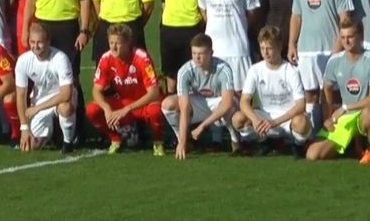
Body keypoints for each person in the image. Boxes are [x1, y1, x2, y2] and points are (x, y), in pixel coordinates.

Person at [21, 0, 92, 134]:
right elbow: (30, 2)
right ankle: (47, 127)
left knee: (71, 77)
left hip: (67, 27)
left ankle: (77, 127)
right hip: (43, 26)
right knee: (44, 76)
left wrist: (84, 30)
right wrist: (25, 29)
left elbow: (85, 1)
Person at [288, 0, 354, 135]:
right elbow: (296, 16)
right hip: (306, 50)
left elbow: (345, 19)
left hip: (330, 49)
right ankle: (311, 133)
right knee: (310, 93)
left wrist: (338, 47)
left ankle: (335, 133)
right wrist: (292, 43)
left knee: (332, 93)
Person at [305, 19, 370, 164]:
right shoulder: (334, 61)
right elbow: (326, 89)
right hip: (346, 117)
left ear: (360, 36)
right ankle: (349, 145)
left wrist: (345, 107)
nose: (346, 41)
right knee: (313, 155)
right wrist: (328, 118)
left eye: (350, 37)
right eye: (342, 37)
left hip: (364, 112)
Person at [232, 26, 310, 157]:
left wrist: (275, 122)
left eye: (269, 48)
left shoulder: (291, 70)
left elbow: (301, 105)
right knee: (237, 119)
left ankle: (297, 145)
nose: (265, 52)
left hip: (286, 119)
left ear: (279, 47)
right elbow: (244, 101)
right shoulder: (255, 70)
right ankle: (264, 142)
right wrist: (255, 120)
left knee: (301, 123)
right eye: (262, 48)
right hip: (264, 117)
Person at [197, 0, 261, 97]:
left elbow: (252, 13)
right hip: (214, 50)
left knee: (240, 95)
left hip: (237, 48)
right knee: (214, 94)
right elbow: (203, 10)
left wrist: (238, 25)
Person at [87, 23, 164, 155]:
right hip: (123, 102)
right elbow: (96, 90)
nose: (113, 47)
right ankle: (115, 139)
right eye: (111, 43)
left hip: (143, 103)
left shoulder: (141, 57)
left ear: (128, 43)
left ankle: (158, 141)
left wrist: (127, 109)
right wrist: (106, 108)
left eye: (118, 43)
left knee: (155, 111)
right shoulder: (106, 58)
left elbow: (154, 93)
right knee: (92, 110)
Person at [162, 34, 236, 159]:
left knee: (230, 106)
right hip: (198, 104)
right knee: (167, 104)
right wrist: (182, 141)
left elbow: (226, 104)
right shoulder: (185, 71)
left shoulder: (223, 69)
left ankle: (235, 142)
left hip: (218, 103)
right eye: (194, 53)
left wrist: (202, 126)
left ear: (211, 53)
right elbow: (184, 107)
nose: (197, 57)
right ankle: (184, 140)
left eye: (201, 53)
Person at [14, 22, 78, 153]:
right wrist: (24, 128)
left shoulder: (60, 58)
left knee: (65, 108)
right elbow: (20, 95)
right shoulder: (23, 61)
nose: (35, 46)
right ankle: (52, 134)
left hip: (61, 98)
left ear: (48, 42)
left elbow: (66, 94)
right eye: (32, 42)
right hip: (41, 100)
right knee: (30, 147)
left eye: (39, 42)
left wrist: (37, 108)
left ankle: (68, 143)